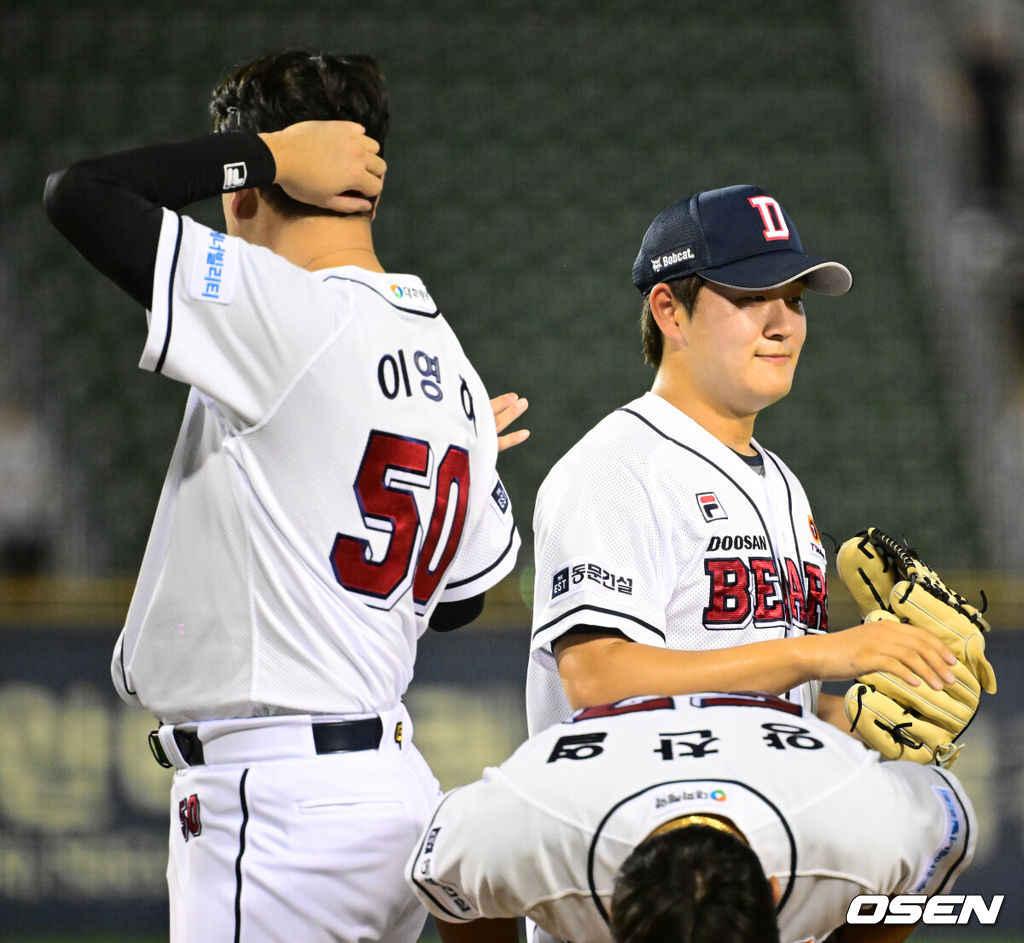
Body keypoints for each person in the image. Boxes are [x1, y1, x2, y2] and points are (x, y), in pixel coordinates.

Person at [43, 50, 526, 943]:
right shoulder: (449, 361)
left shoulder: (281, 308)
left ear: (241, 192)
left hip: (280, 813)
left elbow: (80, 194)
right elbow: (458, 602)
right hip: (388, 792)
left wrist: (257, 153)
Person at [525, 185, 959, 737]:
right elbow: (598, 679)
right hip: (629, 815)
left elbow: (757, 700)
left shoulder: (783, 483)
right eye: (752, 296)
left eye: (795, 298)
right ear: (668, 311)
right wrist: (815, 655)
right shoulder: (615, 467)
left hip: (742, 809)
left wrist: (866, 720)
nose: (783, 323)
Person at [406, 691, 977, 943]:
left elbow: (949, 828)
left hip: (793, 757)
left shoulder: (858, 822)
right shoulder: (534, 821)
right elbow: (443, 870)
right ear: (613, 902)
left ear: (777, 887)